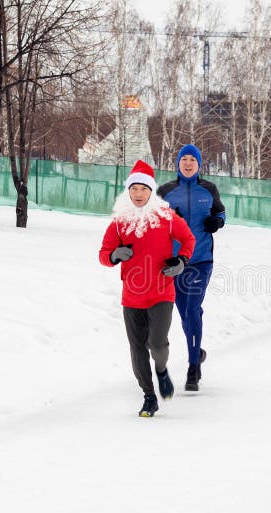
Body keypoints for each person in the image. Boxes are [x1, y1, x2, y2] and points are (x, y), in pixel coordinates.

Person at [99, 160, 196, 417]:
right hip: (131, 296)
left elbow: (188, 239)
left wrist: (182, 260)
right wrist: (114, 255)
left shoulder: (166, 217)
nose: (139, 194)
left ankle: (162, 370)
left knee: (157, 344)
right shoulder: (120, 223)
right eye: (134, 189)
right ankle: (149, 395)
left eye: (143, 189)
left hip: (162, 291)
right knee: (137, 348)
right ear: (128, 192)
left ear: (151, 191)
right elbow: (103, 254)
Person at [158, 144, 226, 392]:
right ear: (178, 164)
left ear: (199, 165)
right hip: (174, 263)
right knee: (184, 312)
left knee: (193, 310)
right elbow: (152, 220)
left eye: (192, 160)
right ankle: (197, 350)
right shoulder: (166, 191)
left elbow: (221, 213)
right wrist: (168, 220)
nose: (188, 164)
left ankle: (193, 365)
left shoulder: (209, 189)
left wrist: (216, 221)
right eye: (184, 159)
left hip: (200, 260)